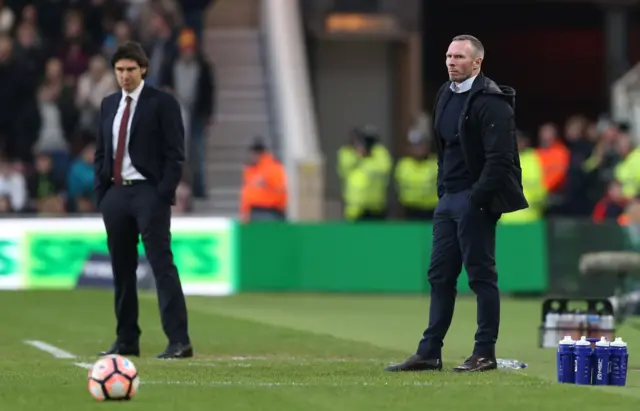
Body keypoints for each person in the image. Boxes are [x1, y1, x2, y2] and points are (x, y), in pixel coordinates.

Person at [385, 34, 528, 373]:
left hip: (473, 199)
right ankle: (429, 351)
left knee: (480, 276)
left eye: (460, 57)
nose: (451, 62)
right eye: (449, 56)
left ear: (477, 62)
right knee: (439, 275)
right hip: (448, 199)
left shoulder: (492, 102)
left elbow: (500, 159)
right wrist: (443, 190)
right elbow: (444, 149)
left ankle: (484, 353)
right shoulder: (445, 95)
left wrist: (477, 199)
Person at [94, 41, 193, 359]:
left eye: (130, 69)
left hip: (149, 193)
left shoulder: (162, 103)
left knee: (162, 265)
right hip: (117, 193)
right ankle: (126, 340)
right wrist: (103, 193)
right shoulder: (109, 104)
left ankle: (179, 340)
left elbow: (175, 154)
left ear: (143, 69)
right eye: (120, 70)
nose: (124, 76)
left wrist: (162, 193)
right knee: (121, 270)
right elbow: (101, 151)